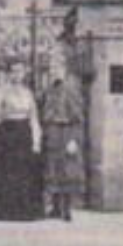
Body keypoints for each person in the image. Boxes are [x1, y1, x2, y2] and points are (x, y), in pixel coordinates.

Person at [0, 60, 41, 221]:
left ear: (24, 73)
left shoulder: (28, 93)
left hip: (24, 134)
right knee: (8, 171)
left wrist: (36, 140)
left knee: (24, 172)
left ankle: (24, 212)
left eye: (20, 71)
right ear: (9, 73)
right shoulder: (1, 91)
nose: (17, 75)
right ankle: (6, 211)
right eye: (14, 71)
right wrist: (4, 118)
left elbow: (33, 117)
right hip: (8, 135)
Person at [41, 63, 86, 221]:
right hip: (52, 131)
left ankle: (67, 209)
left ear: (64, 71)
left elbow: (78, 118)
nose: (55, 72)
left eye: (58, 69)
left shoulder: (71, 90)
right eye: (52, 69)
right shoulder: (48, 90)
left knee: (68, 171)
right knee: (53, 170)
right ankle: (55, 207)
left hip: (66, 132)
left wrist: (74, 139)